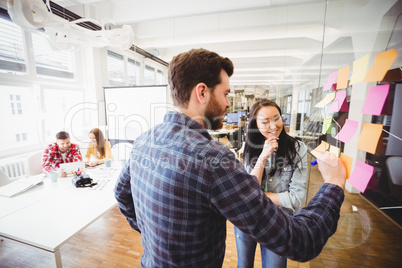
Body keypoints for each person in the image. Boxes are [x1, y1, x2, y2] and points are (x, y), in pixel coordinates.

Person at [114, 48, 346, 267]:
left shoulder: (144, 141)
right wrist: (333, 185)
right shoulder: (214, 160)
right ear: (202, 92)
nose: (227, 103)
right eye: (225, 94)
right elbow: (301, 241)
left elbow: (121, 194)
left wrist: (151, 234)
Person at [234, 99, 308, 268]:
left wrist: (257, 196)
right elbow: (249, 190)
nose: (273, 126)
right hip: (248, 219)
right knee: (244, 265)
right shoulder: (250, 147)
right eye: (265, 122)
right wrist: (263, 156)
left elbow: (297, 198)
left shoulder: (298, 149)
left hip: (278, 222)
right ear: (255, 125)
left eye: (276, 118)